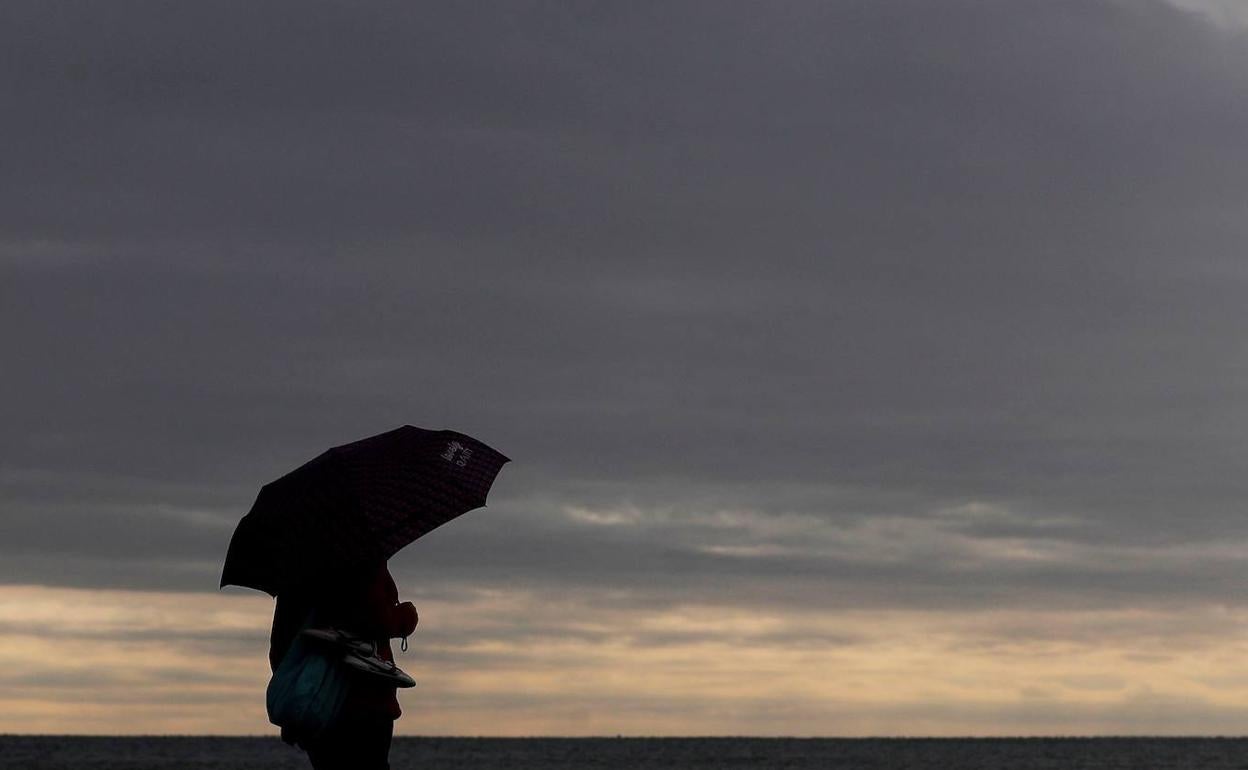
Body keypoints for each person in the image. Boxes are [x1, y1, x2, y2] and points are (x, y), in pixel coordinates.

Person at [269, 561, 419, 770]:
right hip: (365, 703)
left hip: (314, 705)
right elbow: (376, 618)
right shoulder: (362, 557)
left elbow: (281, 647)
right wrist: (406, 616)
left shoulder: (296, 569)